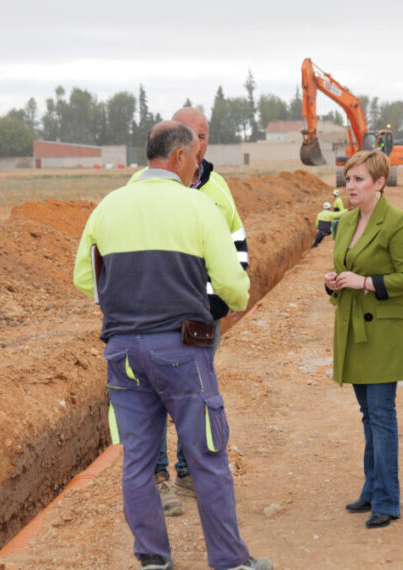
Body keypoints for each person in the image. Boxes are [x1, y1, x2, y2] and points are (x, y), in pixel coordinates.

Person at [74, 121, 271, 570]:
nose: (196, 168)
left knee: (137, 462)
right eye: (195, 161)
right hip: (182, 351)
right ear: (180, 156)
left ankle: (153, 560)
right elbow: (231, 286)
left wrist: (127, 303)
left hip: (122, 353)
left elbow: (84, 278)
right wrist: (215, 298)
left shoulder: (108, 207)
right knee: (207, 456)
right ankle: (229, 561)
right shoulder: (197, 207)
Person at [130, 107, 250, 517]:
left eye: (205, 136)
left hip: (201, 316)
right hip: (153, 316)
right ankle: (158, 480)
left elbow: (237, 247)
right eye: (192, 136)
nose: (200, 144)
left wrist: (218, 303)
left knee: (196, 398)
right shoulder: (137, 190)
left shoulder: (217, 191)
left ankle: (186, 474)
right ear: (177, 145)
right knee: (153, 403)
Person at [323, 149, 403, 529]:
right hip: (354, 332)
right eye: (348, 179)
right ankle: (371, 488)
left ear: (379, 183)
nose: (351, 186)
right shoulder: (345, 222)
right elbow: (341, 270)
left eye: (359, 179)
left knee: (381, 416)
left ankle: (387, 499)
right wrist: (332, 282)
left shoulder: (398, 222)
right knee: (368, 416)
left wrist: (365, 283)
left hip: (384, 334)